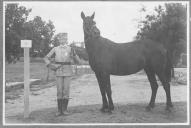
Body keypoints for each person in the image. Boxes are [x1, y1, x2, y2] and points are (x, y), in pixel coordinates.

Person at [44, 33, 80, 116]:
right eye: (60, 39)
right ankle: (59, 111)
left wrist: (74, 54)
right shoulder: (55, 49)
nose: (62, 40)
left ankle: (65, 110)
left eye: (64, 39)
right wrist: (50, 65)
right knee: (59, 91)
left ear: (66, 40)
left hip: (68, 72)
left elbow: (78, 61)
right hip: (58, 71)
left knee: (66, 90)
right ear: (59, 40)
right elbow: (46, 58)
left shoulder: (70, 49)